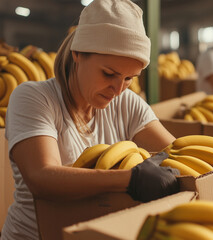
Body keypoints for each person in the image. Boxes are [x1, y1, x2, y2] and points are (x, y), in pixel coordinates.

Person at [1, 0, 179, 239]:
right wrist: (130, 179)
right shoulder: (34, 97)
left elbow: (176, 155)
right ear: (78, 53)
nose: (118, 89)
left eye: (129, 78)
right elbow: (41, 176)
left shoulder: (127, 103)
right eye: (109, 74)